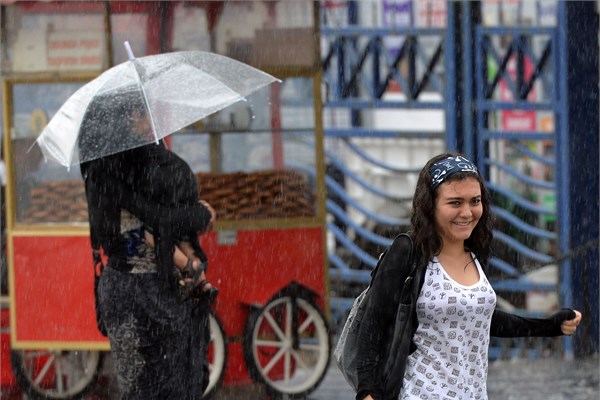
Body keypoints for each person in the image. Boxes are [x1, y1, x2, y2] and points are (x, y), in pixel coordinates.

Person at [355, 152, 582, 400]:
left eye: (475, 201)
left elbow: (481, 318)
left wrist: (550, 325)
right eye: (455, 203)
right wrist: (368, 392)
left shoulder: (475, 254)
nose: (467, 212)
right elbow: (373, 325)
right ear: (430, 205)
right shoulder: (408, 252)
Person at [80, 95, 217, 399]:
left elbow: (126, 231)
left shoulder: (99, 168)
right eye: (142, 116)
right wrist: (201, 214)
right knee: (171, 385)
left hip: (120, 290)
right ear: (128, 119)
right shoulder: (138, 167)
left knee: (137, 387)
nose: (148, 123)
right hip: (154, 293)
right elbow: (162, 220)